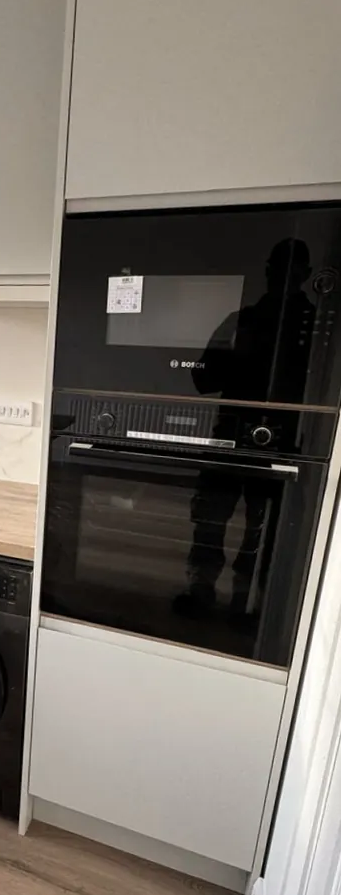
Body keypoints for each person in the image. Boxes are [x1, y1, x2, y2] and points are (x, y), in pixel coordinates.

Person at [175, 238, 314, 621]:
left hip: (285, 442)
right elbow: (202, 379)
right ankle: (202, 593)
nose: (284, 277)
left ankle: (251, 606)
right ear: (268, 271)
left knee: (266, 529)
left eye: (293, 269)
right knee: (210, 519)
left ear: (305, 274)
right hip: (229, 435)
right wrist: (236, 351)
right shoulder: (243, 319)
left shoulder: (319, 326)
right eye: (278, 267)